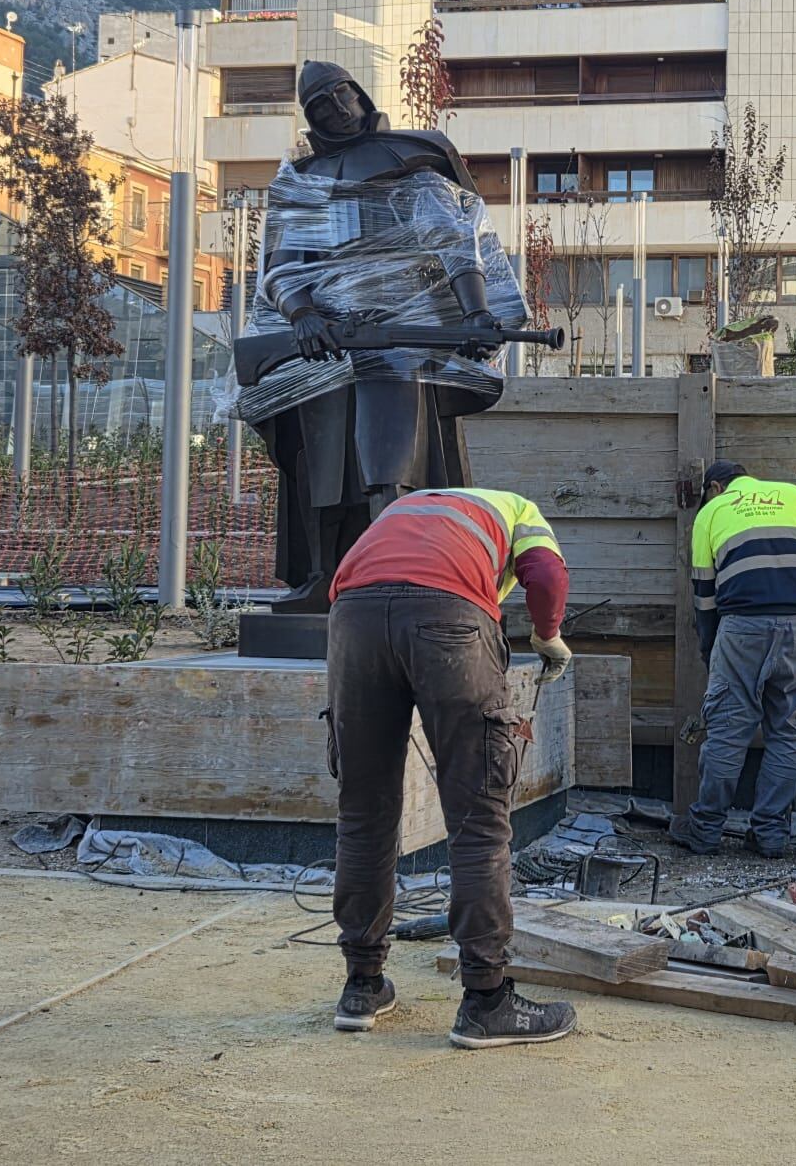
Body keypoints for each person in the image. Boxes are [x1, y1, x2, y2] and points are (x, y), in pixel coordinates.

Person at [248, 61, 523, 613]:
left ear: (359, 94)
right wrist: (302, 315)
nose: (336, 110)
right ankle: (325, 575)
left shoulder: (412, 162)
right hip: (326, 346)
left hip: (398, 343)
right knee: (320, 462)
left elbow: (454, 243)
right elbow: (281, 267)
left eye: (340, 95)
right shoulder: (304, 183)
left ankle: (398, 568)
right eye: (320, 105)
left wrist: (475, 312)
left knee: (392, 461)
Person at [323, 486, 578, 1047]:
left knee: (363, 814)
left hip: (354, 621)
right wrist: (548, 637)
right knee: (478, 818)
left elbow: (354, 579)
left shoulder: (408, 509)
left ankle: (362, 985)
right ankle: (486, 1000)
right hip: (450, 619)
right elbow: (546, 576)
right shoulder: (520, 510)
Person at [672, 462, 796, 858]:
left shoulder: (711, 512)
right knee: (787, 730)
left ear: (715, 488)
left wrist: (710, 647)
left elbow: (704, 595)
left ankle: (705, 831)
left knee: (727, 731)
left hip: (742, 627)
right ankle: (770, 835)